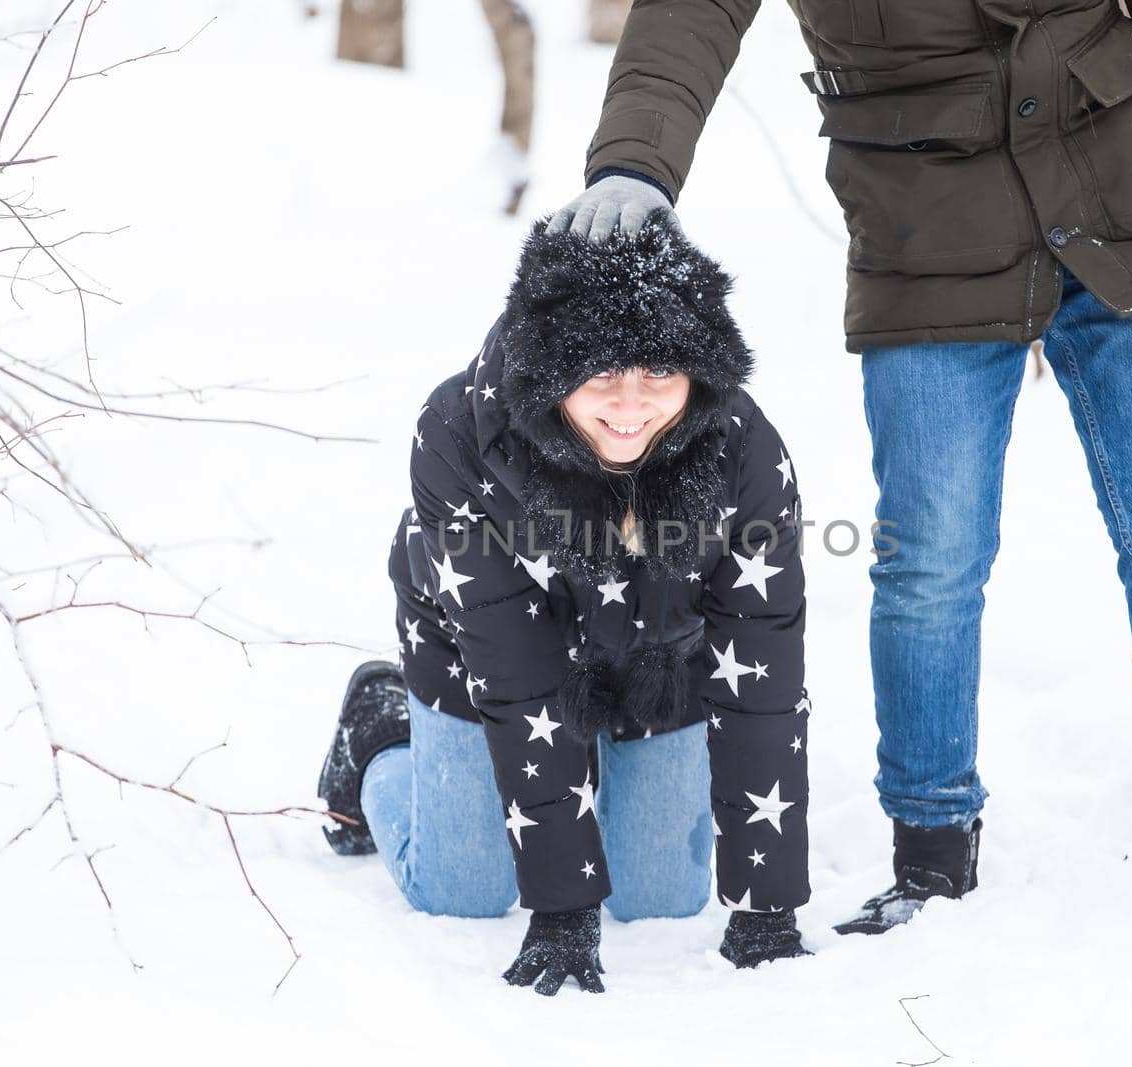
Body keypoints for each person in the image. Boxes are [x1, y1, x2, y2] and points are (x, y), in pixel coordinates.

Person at [550, 0, 1132, 928]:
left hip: (1119, 182)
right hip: (929, 227)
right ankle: (933, 847)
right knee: (931, 560)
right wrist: (635, 159)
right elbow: (690, 13)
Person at [317, 214, 814, 995]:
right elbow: (519, 681)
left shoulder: (745, 450)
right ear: (552, 371)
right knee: (466, 893)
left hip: (657, 658)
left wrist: (768, 907)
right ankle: (380, 728)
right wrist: (563, 907)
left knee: (659, 897)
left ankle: (603, 770)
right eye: (600, 374)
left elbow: (764, 679)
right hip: (483, 653)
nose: (631, 405)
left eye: (658, 372)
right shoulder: (456, 433)